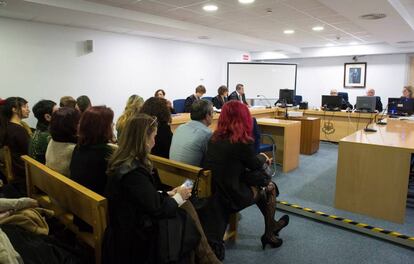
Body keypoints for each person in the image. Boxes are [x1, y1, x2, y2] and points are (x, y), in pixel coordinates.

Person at [102, 113, 220, 264]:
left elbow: (142, 197)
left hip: (129, 222)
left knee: (185, 209)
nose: (154, 141)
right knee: (185, 220)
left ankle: (206, 257)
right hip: (135, 235)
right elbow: (158, 209)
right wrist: (179, 197)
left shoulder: (124, 162)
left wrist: (169, 193)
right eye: (153, 136)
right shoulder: (133, 173)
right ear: (144, 139)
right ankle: (207, 257)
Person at [202, 101, 289, 260]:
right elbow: (255, 164)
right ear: (243, 118)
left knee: (263, 186)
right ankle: (270, 233)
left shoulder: (213, 139)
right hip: (231, 196)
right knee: (269, 187)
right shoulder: (241, 142)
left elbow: (235, 167)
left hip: (215, 192)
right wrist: (263, 157)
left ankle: (272, 228)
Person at [70, 106, 115, 196]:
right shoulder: (107, 154)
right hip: (99, 204)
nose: (113, 125)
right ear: (103, 128)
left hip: (81, 199)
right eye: (111, 123)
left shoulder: (78, 148)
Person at [170, 100, 213, 166]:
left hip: (171, 173)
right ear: (207, 116)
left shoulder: (180, 128)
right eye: (212, 112)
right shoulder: (207, 134)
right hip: (191, 175)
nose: (213, 116)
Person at [0, 97, 31, 188]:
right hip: (22, 173)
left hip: (16, 171)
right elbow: (29, 152)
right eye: (25, 107)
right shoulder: (18, 130)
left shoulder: (7, 127)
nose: (28, 110)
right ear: (14, 109)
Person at [45, 107, 80, 177]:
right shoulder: (74, 149)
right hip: (67, 186)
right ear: (73, 125)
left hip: (50, 182)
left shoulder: (51, 140)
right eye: (78, 122)